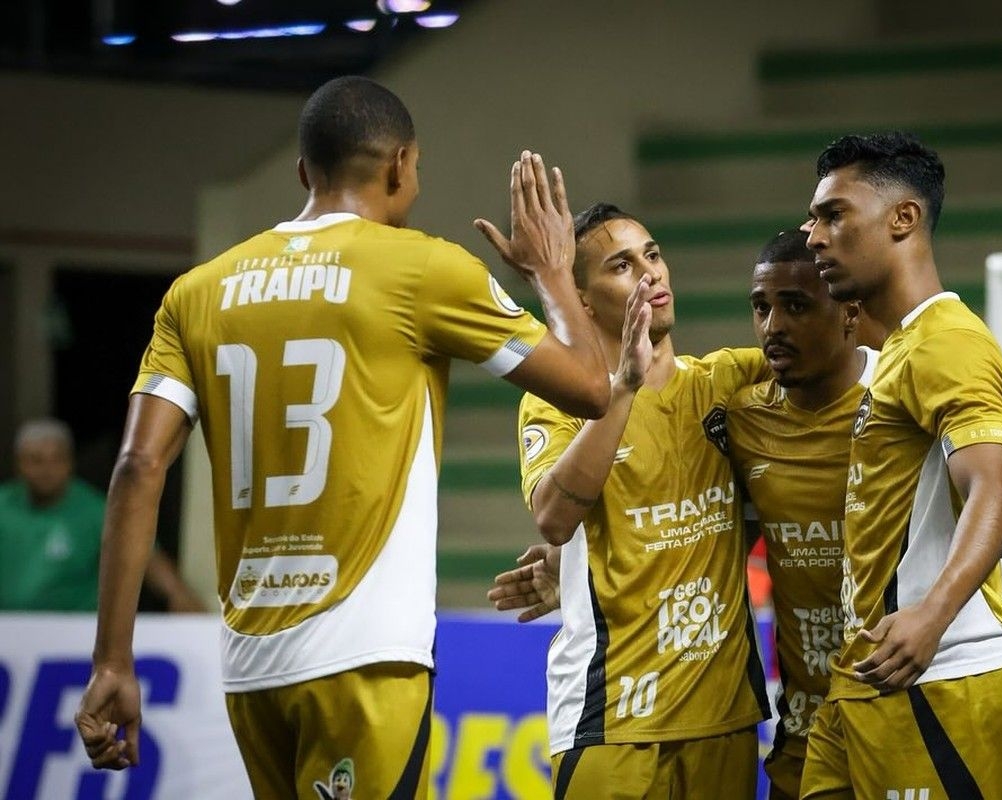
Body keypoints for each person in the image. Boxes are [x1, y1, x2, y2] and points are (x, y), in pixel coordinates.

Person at [73, 75, 611, 799]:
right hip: (364, 660)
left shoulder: (197, 292)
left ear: (303, 171)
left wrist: (112, 662)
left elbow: (139, 465)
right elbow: (589, 386)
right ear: (400, 165)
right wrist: (550, 272)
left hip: (251, 667)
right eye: (416, 169)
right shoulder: (423, 268)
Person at [495, 228, 1002, 799]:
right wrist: (579, 564)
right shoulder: (744, 413)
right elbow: (705, 510)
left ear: (848, 314)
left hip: (917, 682)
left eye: (797, 307)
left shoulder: (908, 386)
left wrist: (996, 519)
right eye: (760, 307)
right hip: (809, 720)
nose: (773, 328)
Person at [797, 131, 1002, 798]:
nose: (812, 235)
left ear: (903, 218)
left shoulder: (948, 342)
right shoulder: (902, 351)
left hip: (945, 670)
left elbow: (993, 487)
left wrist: (930, 617)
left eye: (832, 214)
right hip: (870, 677)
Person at [515, 201, 772, 799]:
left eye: (652, 255)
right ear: (581, 300)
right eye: (622, 266)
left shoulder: (730, 382)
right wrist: (623, 386)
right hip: (611, 719)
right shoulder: (555, 401)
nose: (650, 273)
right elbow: (553, 518)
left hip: (724, 716)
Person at [0, 418, 203, 612]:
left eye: (57, 459)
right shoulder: (4, 504)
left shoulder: (97, 510)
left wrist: (178, 594)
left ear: (70, 462)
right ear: (19, 464)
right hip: (9, 631)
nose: (47, 470)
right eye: (36, 461)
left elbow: (146, 557)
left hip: (73, 634)